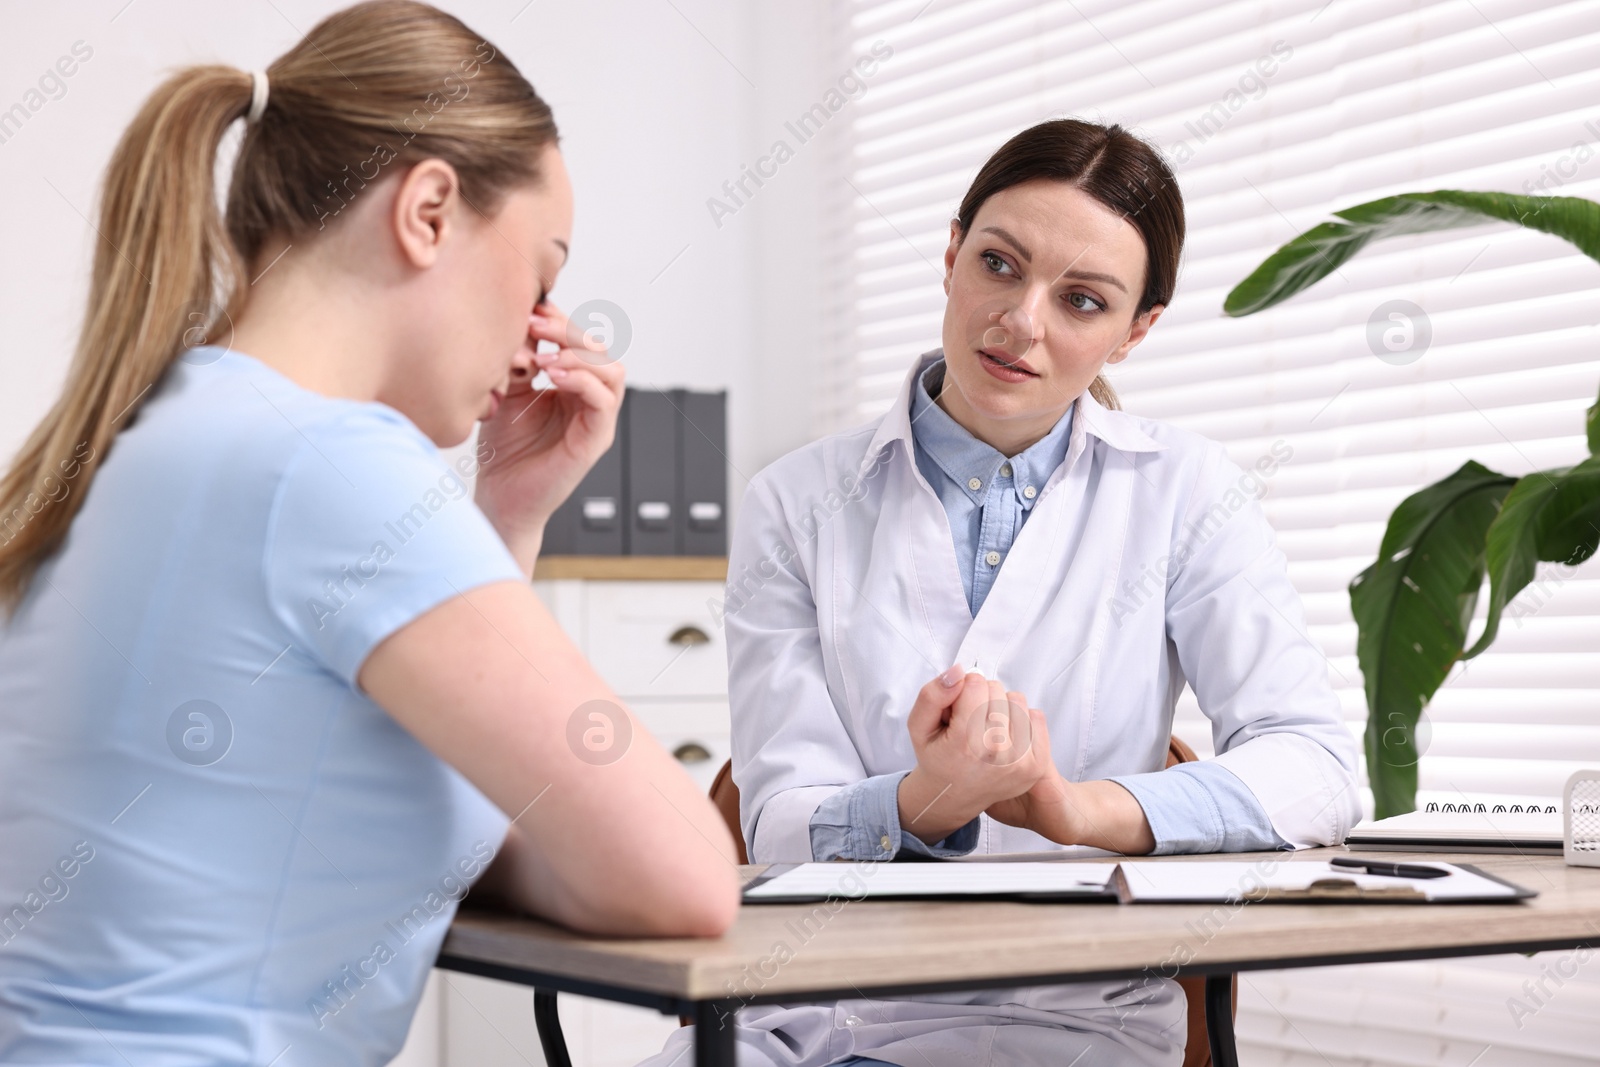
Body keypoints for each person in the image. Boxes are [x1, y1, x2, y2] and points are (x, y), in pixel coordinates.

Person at [0, 3, 738, 1064]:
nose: (543, 326)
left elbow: (384, 799)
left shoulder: (161, 427)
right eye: (541, 271)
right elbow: (688, 875)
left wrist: (508, 517)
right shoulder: (330, 466)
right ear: (429, 211)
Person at [646, 119, 1361, 1067]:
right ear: (951, 255)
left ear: (1135, 330)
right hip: (818, 1012)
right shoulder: (797, 500)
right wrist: (924, 801)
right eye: (998, 264)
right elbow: (777, 818)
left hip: (1073, 1021)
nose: (1022, 321)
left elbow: (1317, 764)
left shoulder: (1187, 492)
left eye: (1082, 299)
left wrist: (1075, 809)